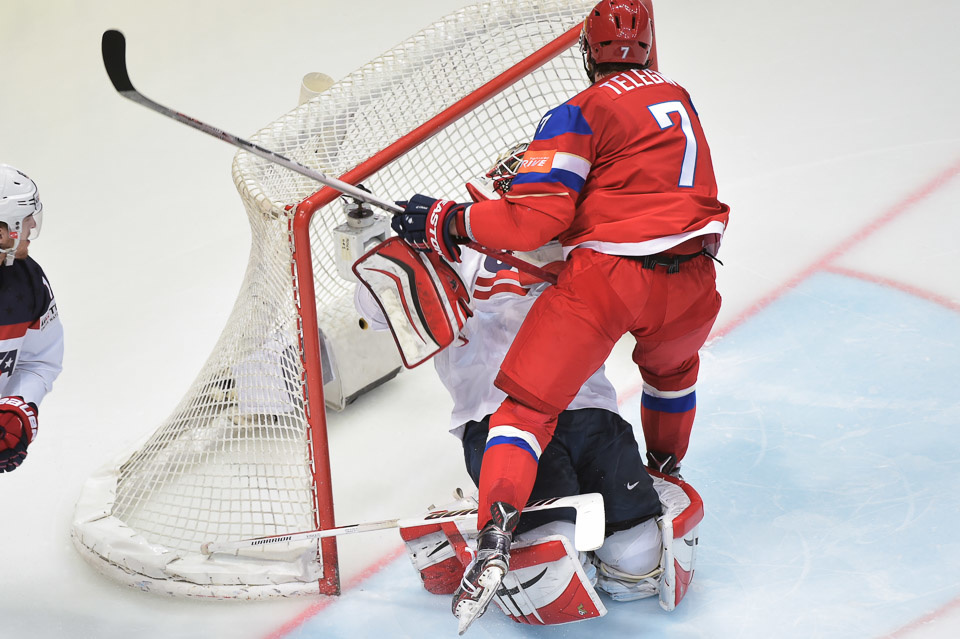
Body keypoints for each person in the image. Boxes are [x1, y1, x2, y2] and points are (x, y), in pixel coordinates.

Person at [390, 0, 729, 627]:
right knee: (672, 379)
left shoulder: (578, 115)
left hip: (611, 283)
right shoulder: (676, 96)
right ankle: (663, 470)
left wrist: (445, 221)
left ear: (585, 52)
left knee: (524, 414)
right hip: (695, 276)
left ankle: (495, 530)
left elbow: (532, 218)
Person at [357, 145, 684, 626]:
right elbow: (374, 310)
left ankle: (516, 533)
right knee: (553, 557)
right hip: (498, 421)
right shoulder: (454, 241)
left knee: (636, 560)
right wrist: (382, 241)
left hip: (590, 410)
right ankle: (498, 530)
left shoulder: (589, 245)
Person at [0, 164, 64, 473]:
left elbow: (39, 362)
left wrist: (18, 408)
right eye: (25, 220)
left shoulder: (28, 282)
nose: (31, 228)